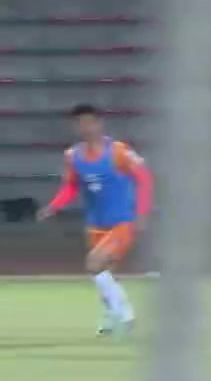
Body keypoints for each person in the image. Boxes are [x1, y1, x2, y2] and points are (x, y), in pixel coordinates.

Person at [35, 105, 151, 335]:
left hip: (122, 222)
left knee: (94, 263)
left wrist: (142, 213)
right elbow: (70, 186)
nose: (86, 128)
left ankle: (125, 314)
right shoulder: (72, 156)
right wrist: (54, 206)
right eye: (80, 123)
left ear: (99, 123)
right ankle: (109, 317)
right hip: (96, 224)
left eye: (89, 122)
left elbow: (145, 179)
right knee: (105, 275)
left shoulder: (119, 152)